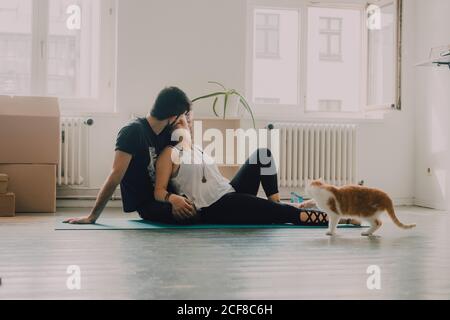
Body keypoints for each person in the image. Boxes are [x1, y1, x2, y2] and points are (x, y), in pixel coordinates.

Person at [153, 115, 330, 226]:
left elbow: (213, 179)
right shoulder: (169, 153)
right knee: (284, 215)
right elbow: (159, 191)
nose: (185, 125)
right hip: (213, 206)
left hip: (228, 191)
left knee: (263, 155)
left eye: (185, 121)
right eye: (178, 124)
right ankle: (334, 219)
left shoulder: (196, 148)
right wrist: (173, 198)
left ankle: (276, 203)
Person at [64, 87, 195, 224]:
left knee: (206, 205)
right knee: (194, 212)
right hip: (150, 204)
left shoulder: (168, 132)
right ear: (173, 117)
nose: (183, 119)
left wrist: (185, 127)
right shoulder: (132, 131)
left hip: (170, 196)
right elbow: (115, 176)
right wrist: (92, 216)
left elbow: (188, 157)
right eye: (182, 116)